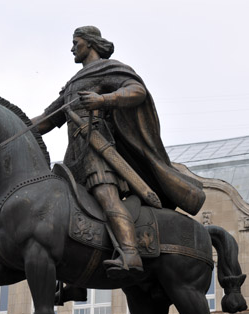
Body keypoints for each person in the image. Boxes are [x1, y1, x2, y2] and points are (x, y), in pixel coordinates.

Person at [32, 26, 203, 279]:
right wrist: (12, 128)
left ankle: (130, 253)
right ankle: (74, 276)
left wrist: (103, 100)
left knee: (106, 196)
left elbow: (137, 91)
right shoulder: (72, 85)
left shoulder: (108, 69)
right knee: (65, 207)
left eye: (75, 42)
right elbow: (47, 119)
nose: (71, 48)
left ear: (89, 44)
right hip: (74, 155)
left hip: (99, 149)